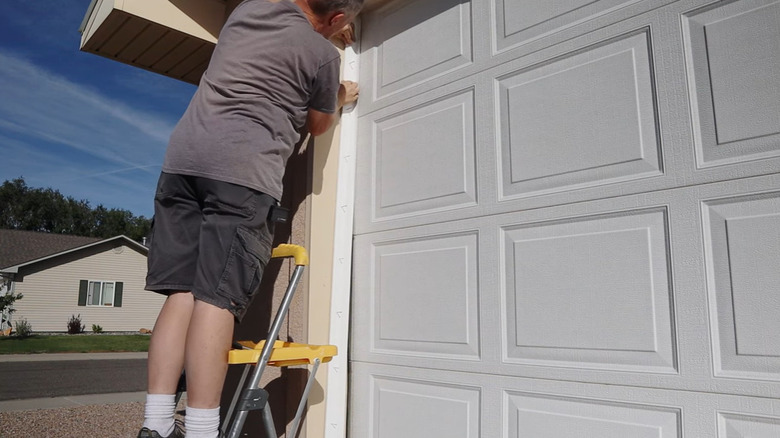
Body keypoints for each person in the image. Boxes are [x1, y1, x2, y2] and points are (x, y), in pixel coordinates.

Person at [138, 0, 363, 437]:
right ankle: (203, 430)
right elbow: (318, 124)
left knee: (180, 293)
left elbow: (288, 25)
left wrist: (321, 27)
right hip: (241, 173)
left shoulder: (246, 11)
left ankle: (157, 425)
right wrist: (340, 92)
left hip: (182, 164)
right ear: (336, 20)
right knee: (216, 298)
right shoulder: (322, 57)